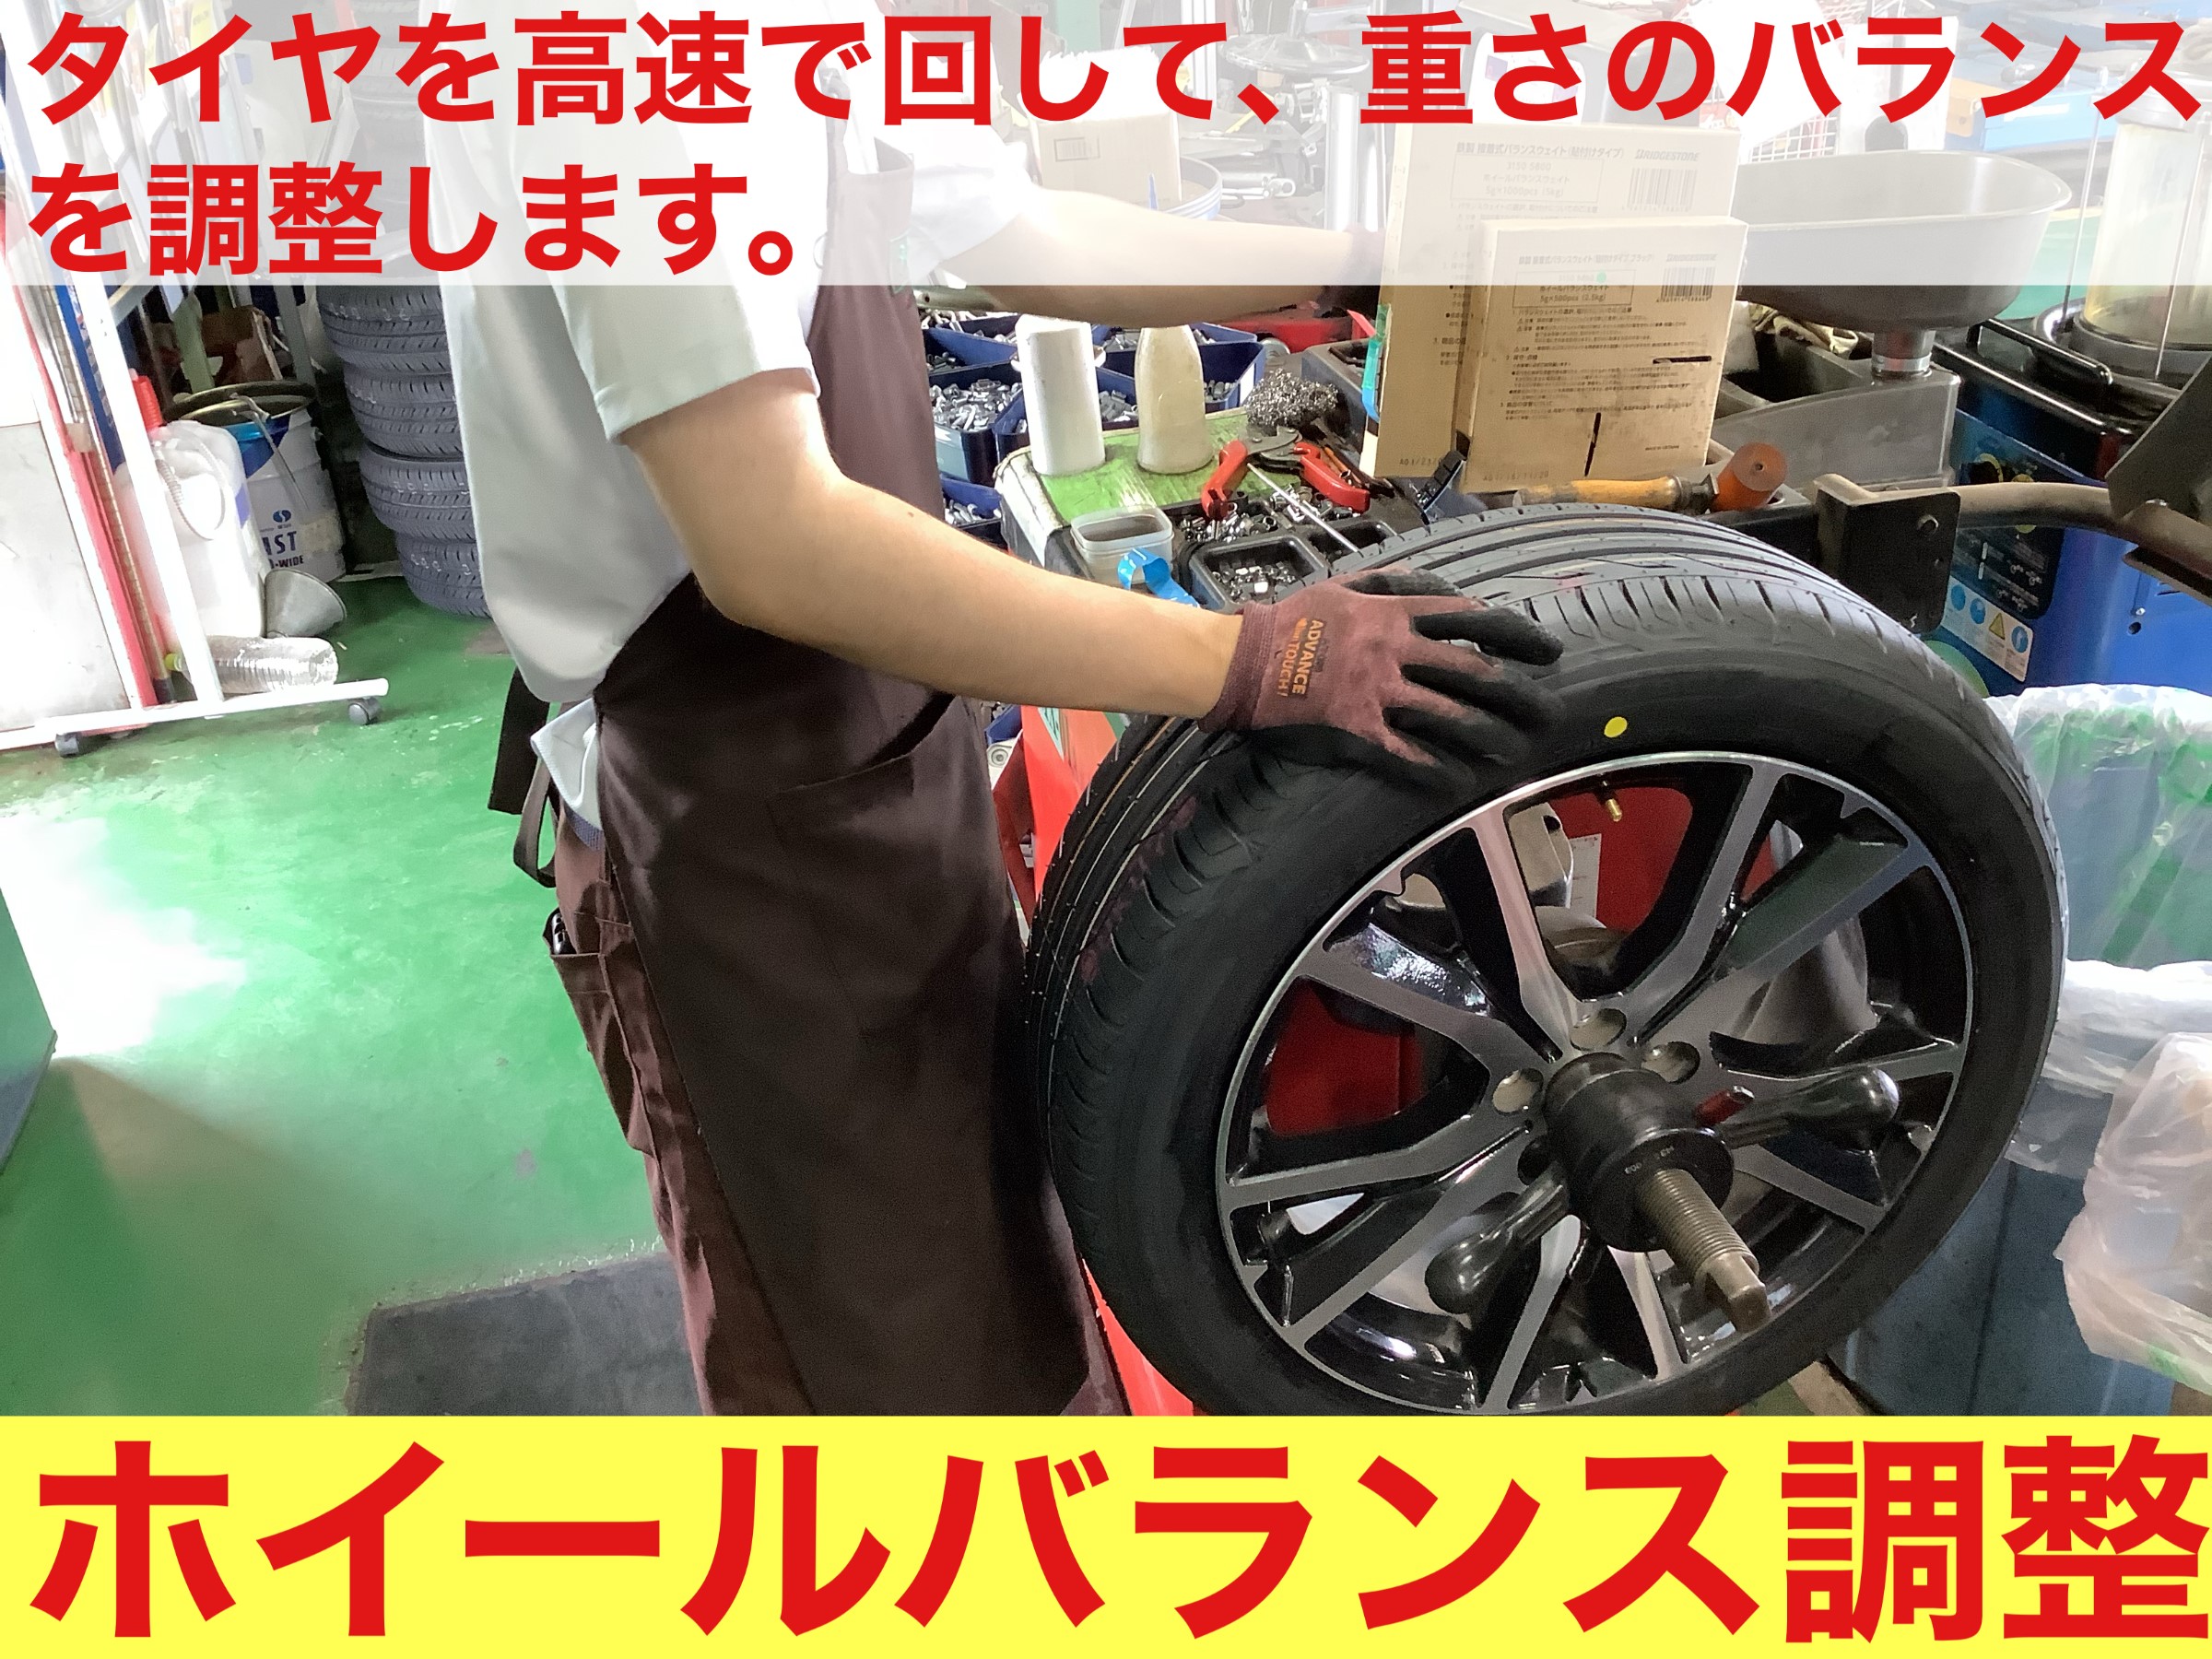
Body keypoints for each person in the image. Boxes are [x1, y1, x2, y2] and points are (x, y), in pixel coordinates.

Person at [446, 75, 1560, 1415]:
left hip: (860, 760)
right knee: (869, 1356)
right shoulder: (631, 85)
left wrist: (1358, 263)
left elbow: (1011, 230)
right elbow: (771, 539)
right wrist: (1256, 659)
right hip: (730, 822)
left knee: (977, 1282)